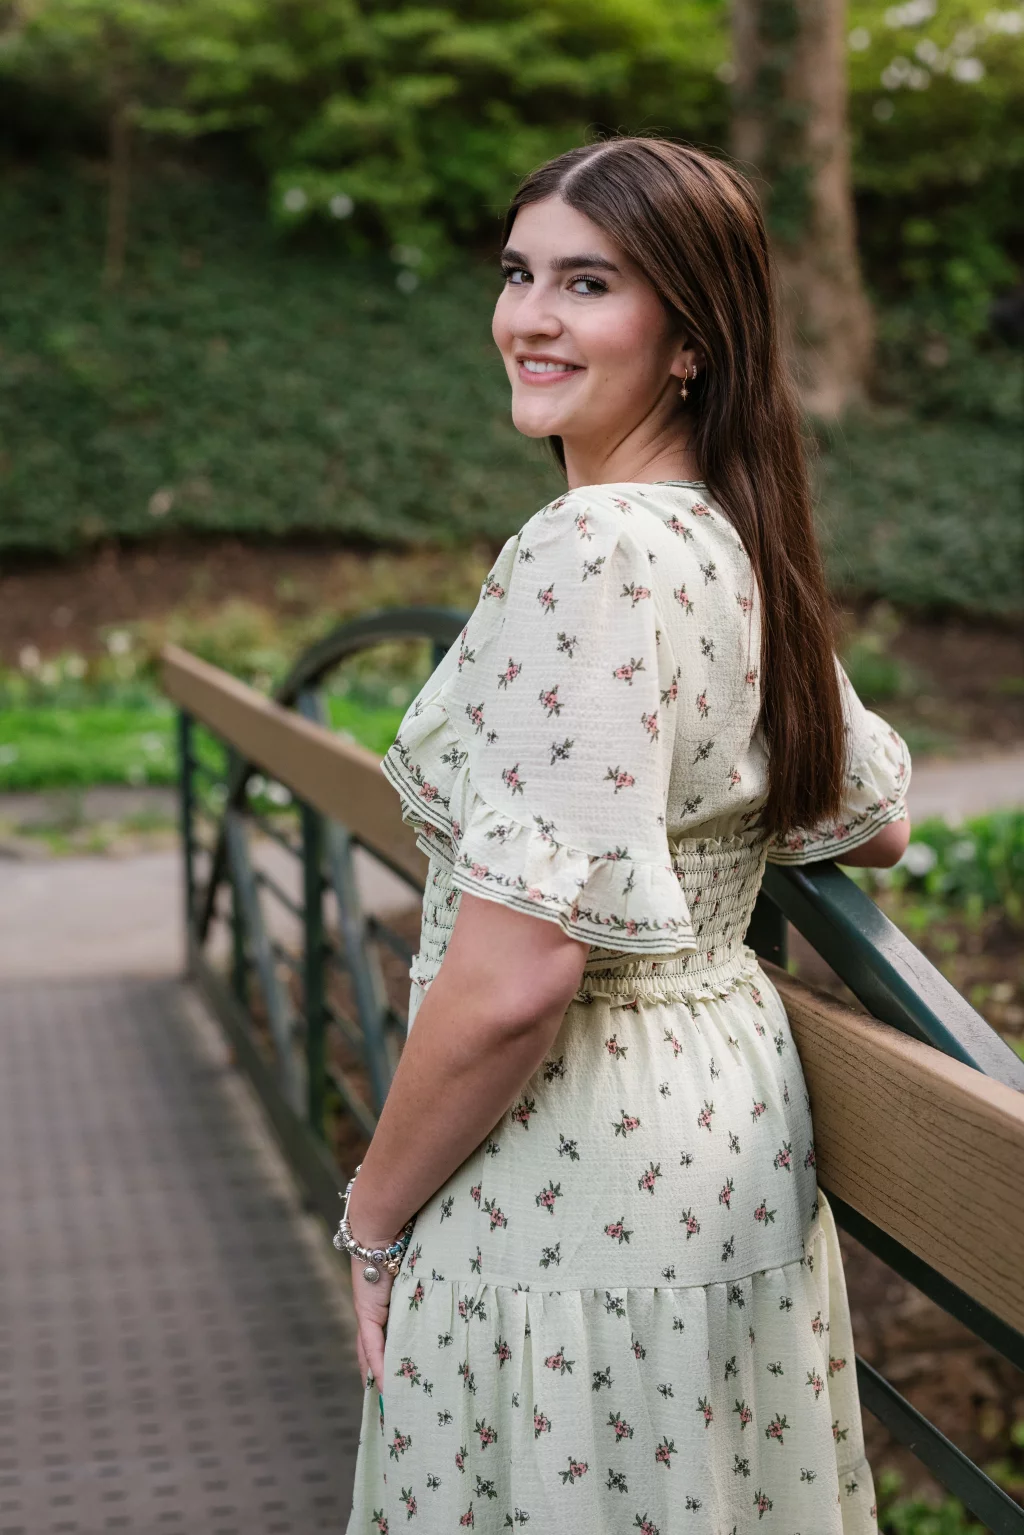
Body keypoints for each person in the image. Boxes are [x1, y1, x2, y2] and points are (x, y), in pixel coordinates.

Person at [341, 137, 910, 1534]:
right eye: (519, 272)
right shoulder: (725, 534)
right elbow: (874, 817)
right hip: (725, 1130)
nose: (529, 317)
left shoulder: (590, 554)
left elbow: (519, 975)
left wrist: (370, 1216)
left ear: (688, 343)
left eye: (588, 283)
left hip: (570, 1159)